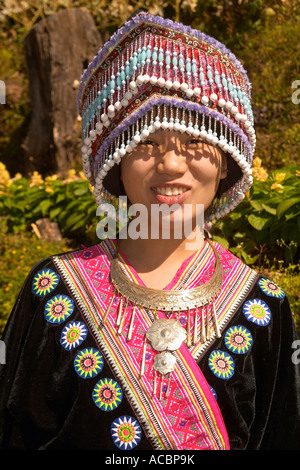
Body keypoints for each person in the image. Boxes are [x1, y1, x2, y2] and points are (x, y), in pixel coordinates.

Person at [0, 10, 299, 451]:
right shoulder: (53, 291)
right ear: (115, 163)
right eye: (145, 142)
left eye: (196, 140)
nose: (172, 165)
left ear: (227, 162)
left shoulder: (263, 307)